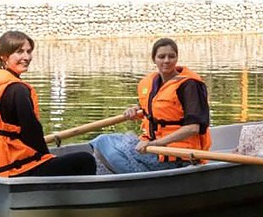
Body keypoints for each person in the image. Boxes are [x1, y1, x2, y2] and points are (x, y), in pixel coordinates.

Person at [0, 30, 97, 178]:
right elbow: (32, 134)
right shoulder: (17, 90)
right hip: (13, 174)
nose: (26, 57)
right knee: (86, 160)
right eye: (19, 52)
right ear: (3, 56)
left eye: (29, 51)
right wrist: (47, 159)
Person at [90, 38, 211, 173]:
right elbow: (152, 109)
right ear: (154, 59)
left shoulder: (190, 85)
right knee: (104, 140)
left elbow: (193, 128)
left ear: (177, 58)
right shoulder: (152, 83)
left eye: (171, 56)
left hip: (178, 156)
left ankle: (138, 176)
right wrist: (135, 109)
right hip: (152, 147)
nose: (166, 61)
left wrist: (156, 143)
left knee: (104, 144)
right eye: (161, 57)